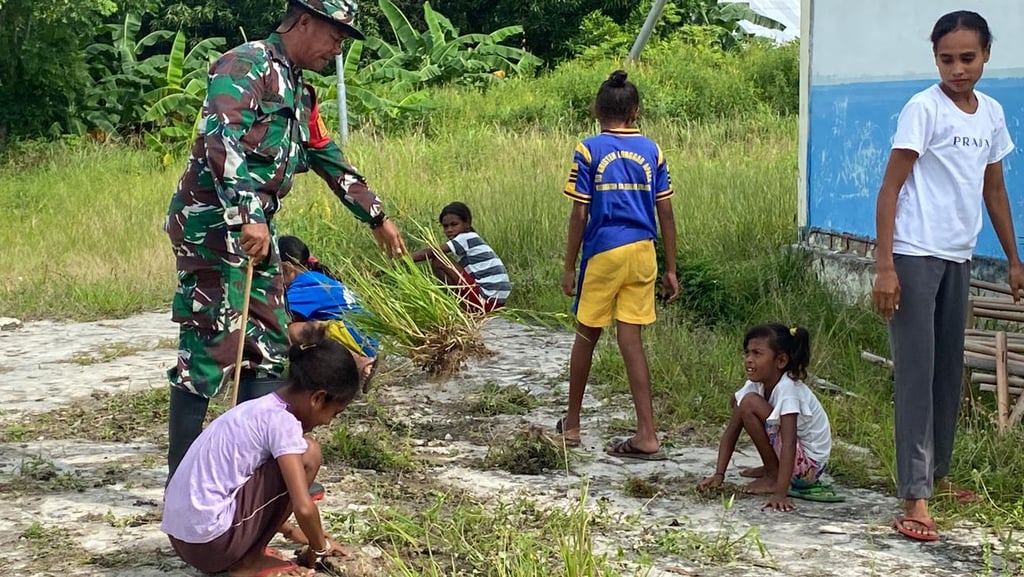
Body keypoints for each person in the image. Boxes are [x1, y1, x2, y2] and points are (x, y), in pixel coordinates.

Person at [164, 0, 406, 482]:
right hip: (214, 225)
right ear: (304, 22)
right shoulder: (245, 65)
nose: (337, 50)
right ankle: (187, 485)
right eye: (334, 38)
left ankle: (254, 471)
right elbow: (221, 138)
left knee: (267, 345)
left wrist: (375, 215)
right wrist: (249, 213)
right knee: (212, 346)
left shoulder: (300, 89)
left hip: (256, 231)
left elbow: (324, 154)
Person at [871, 10, 1024, 542]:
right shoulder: (923, 110)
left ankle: (937, 475)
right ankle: (916, 498)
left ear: (986, 56)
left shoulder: (991, 114)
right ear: (934, 58)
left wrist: (1013, 259)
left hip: (957, 256)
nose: (957, 69)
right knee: (916, 376)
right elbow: (890, 189)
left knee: (946, 373)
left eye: (968, 58)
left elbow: (995, 191)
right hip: (914, 255)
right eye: (946, 59)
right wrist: (885, 266)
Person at [162, 326, 357, 577]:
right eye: (334, 413)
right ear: (318, 398)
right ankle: (248, 563)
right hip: (209, 545)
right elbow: (304, 506)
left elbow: (246, 488)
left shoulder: (256, 409)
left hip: (183, 540)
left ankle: (246, 551)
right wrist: (319, 547)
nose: (329, 422)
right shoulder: (282, 422)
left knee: (297, 455)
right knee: (309, 454)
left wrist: (289, 531)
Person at [558, 70, 679, 460]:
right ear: (636, 112)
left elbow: (580, 213)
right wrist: (671, 268)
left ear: (597, 110)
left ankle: (572, 425)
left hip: (605, 253)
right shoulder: (652, 150)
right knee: (632, 342)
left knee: (586, 336)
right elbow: (667, 212)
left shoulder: (589, 149)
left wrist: (569, 264)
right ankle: (647, 434)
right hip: (643, 253)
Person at [697, 324, 832, 512]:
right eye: (747, 353)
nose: (749, 360)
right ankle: (772, 469)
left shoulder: (788, 389)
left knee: (749, 403)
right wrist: (719, 474)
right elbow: (732, 430)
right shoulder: (756, 385)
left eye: (757, 354)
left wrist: (780, 493)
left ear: (781, 361)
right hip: (797, 461)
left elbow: (790, 442)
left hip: (808, 468)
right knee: (741, 403)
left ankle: (774, 476)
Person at [279, 234, 379, 390]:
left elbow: (278, 319)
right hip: (367, 336)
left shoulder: (302, 285)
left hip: (356, 335)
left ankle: (359, 361)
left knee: (289, 331)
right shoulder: (316, 278)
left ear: (286, 268)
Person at [411, 201, 512, 313]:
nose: (449, 230)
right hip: (494, 302)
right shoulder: (471, 240)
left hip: (486, 301)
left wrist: (403, 260)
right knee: (447, 263)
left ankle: (462, 308)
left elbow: (433, 251)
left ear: (467, 224)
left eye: (454, 225)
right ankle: (464, 306)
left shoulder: (466, 238)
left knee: (439, 260)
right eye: (445, 226)